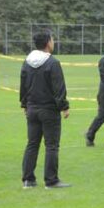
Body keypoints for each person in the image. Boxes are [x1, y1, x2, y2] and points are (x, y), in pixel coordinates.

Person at [20, 29, 71, 188]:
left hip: (32, 109)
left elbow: (23, 86)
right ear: (48, 42)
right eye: (52, 39)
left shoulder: (27, 62)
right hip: (49, 110)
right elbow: (59, 88)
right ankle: (51, 180)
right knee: (51, 146)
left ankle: (28, 180)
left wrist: (24, 104)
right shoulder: (53, 63)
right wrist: (64, 106)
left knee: (32, 144)